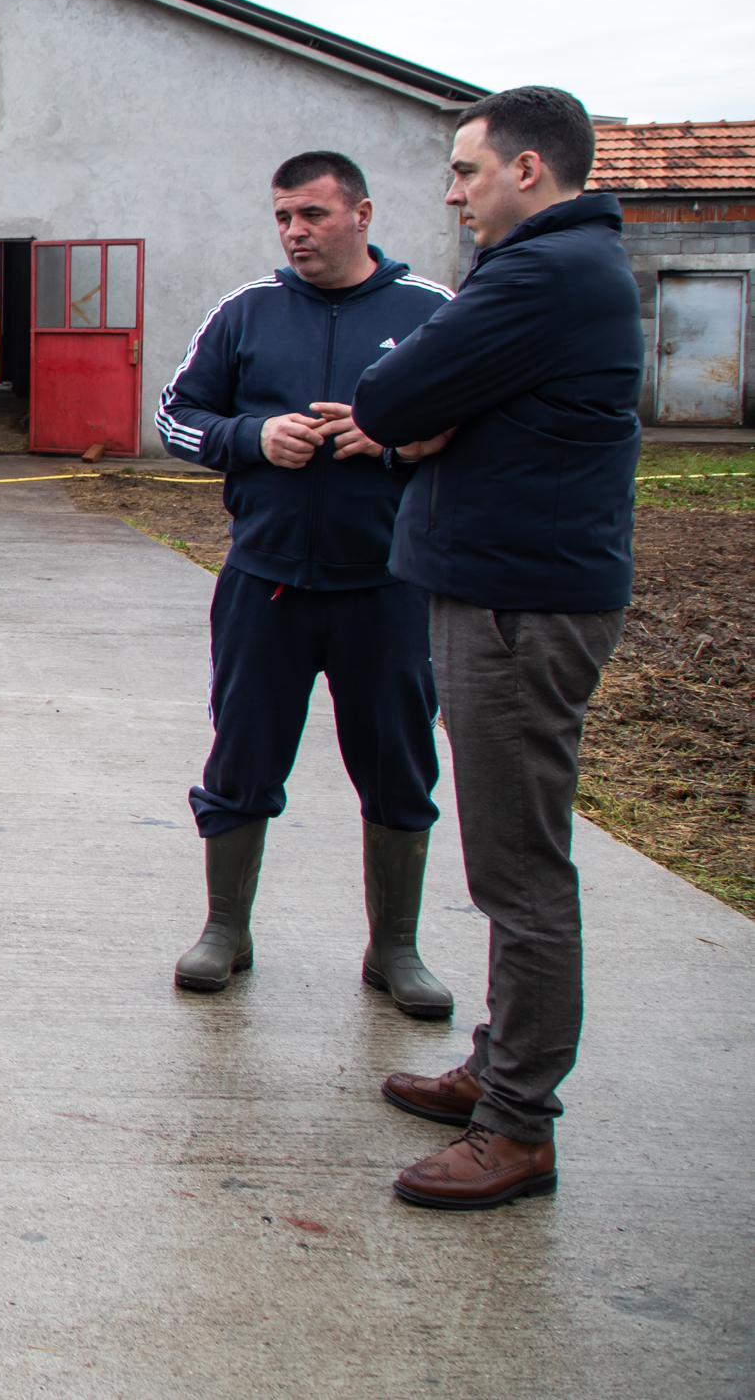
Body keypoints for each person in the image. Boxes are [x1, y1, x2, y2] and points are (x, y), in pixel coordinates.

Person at [351, 85, 640, 1213]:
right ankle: (498, 1066)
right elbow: (418, 408)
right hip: (506, 591)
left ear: (528, 169)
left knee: (518, 871)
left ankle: (516, 1123)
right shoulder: (559, 274)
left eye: (466, 171)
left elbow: (386, 396)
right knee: (508, 859)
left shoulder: (540, 274)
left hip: (518, 608)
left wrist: (425, 417)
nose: (452, 193)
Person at [156, 150, 459, 1016]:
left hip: (387, 586)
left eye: (313, 216)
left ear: (361, 214)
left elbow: (472, 422)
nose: (295, 232)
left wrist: (390, 439)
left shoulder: (430, 312)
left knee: (398, 763)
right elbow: (176, 416)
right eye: (284, 216)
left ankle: (393, 948)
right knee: (241, 753)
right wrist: (252, 437)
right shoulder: (245, 313)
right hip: (267, 584)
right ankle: (225, 930)